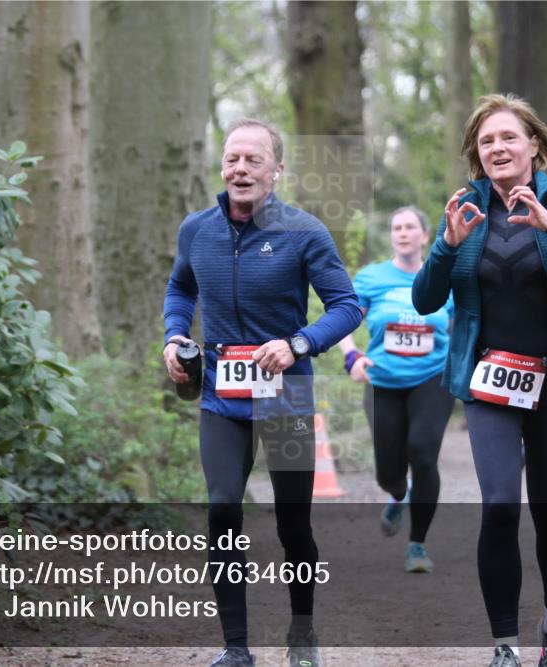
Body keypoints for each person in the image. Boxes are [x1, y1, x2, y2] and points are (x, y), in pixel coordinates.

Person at [412, 93, 547, 667]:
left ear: (534, 145)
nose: (499, 148)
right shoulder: (465, 208)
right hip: (490, 385)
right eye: (487, 142)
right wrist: (446, 245)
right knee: (500, 506)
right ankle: (503, 644)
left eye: (509, 137)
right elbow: (426, 298)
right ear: (477, 156)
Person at [162, 118, 362, 667]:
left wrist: (299, 343)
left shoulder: (304, 231)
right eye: (231, 159)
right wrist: (175, 335)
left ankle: (302, 631)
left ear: (277, 170)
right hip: (221, 394)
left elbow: (347, 306)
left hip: (287, 395)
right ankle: (236, 647)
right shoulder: (196, 229)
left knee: (292, 520)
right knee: (223, 507)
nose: (240, 169)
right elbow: (180, 287)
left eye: (253, 160)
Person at [336, 205, 455, 573]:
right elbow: (344, 318)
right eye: (396, 227)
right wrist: (352, 356)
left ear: (424, 236)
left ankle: (417, 544)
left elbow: (462, 323)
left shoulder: (442, 277)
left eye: (410, 227)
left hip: (433, 378)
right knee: (388, 470)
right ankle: (398, 493)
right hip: (382, 379)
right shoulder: (372, 277)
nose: (402, 233)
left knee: (422, 453)